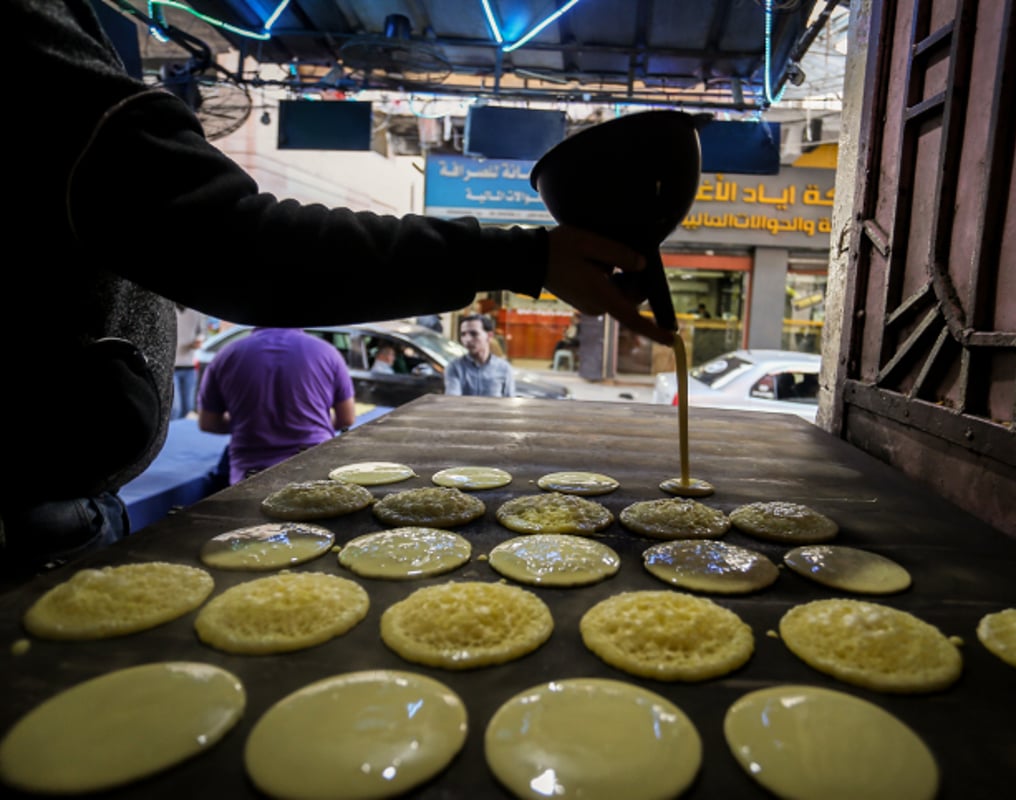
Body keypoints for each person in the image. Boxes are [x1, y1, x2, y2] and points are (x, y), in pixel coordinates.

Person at [0, 0, 672, 581]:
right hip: (25, 519)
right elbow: (242, 245)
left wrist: (527, 255)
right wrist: (527, 254)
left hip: (61, 500)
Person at [197, 328, 356, 484]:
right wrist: (314, 424)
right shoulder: (327, 352)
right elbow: (346, 418)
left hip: (251, 475)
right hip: (315, 467)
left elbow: (208, 422)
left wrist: (246, 423)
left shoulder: (227, 354)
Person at [444, 314, 516, 397]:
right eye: (463, 334)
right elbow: (452, 400)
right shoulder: (455, 367)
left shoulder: (504, 368)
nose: (467, 339)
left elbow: (509, 401)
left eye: (474, 334)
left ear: (489, 336)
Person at [172, 304, 206, 419]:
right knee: (175, 409)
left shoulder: (195, 312)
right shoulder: (170, 311)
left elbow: (201, 334)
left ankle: (179, 434)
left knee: (188, 408)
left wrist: (198, 341)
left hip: (189, 366)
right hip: (172, 367)